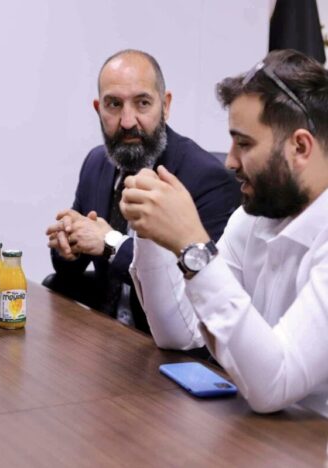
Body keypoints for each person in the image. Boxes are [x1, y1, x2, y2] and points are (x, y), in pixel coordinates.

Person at [123, 49, 328, 416]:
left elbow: (275, 384)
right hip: (269, 435)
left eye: (244, 143)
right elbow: (180, 334)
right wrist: (152, 229)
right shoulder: (255, 217)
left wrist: (193, 247)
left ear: (299, 147)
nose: (230, 161)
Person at [45, 50, 240, 332]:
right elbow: (69, 266)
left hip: (167, 344)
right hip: (105, 335)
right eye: (114, 104)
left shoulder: (206, 179)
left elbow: (197, 288)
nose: (127, 121)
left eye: (142, 103)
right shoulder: (95, 163)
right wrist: (68, 244)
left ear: (166, 105)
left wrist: (110, 244)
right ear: (98, 109)